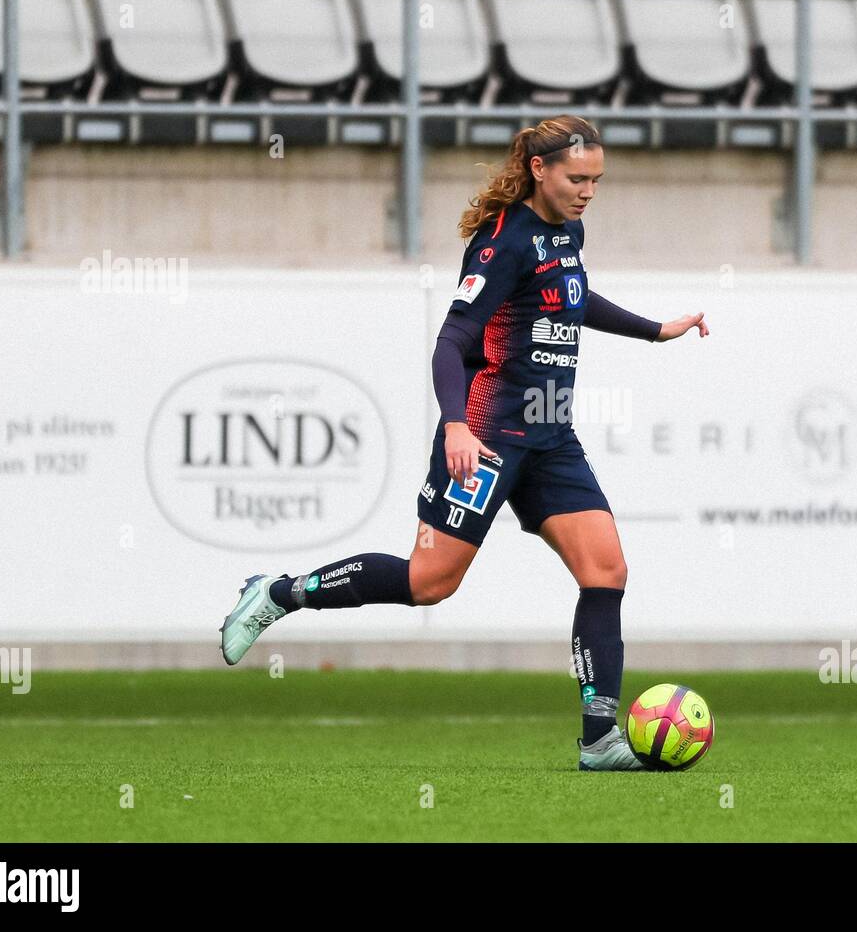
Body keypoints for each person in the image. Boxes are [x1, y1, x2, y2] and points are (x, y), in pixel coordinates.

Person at [219, 114, 709, 771]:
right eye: (577, 178)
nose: (589, 190)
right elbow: (452, 341)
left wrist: (655, 330)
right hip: (485, 439)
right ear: (539, 169)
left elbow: (571, 296)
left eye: (597, 179)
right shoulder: (499, 243)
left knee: (606, 572)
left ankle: (599, 740)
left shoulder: (569, 231)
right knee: (428, 582)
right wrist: (455, 423)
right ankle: (279, 593)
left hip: (550, 438)